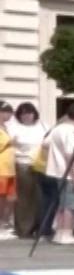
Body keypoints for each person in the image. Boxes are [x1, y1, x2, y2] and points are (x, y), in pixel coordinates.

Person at [38, 102, 74, 245]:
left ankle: (59, 232)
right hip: (68, 172)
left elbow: (45, 144)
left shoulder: (58, 128)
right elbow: (70, 154)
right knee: (69, 204)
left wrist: (55, 155)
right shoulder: (72, 132)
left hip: (55, 171)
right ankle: (66, 233)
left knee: (61, 204)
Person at [7, 101, 44, 239]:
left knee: (39, 197)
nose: (26, 116)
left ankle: (39, 227)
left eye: (29, 113)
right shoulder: (13, 128)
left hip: (40, 166)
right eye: (23, 114)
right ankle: (24, 228)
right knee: (24, 198)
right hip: (22, 164)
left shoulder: (42, 126)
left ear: (34, 114)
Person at [0, 102, 13, 241]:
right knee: (1, 199)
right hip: (1, 169)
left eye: (9, 112)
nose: (8, 114)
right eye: (5, 111)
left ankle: (4, 224)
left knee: (9, 199)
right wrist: (8, 143)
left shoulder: (6, 127)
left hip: (9, 169)